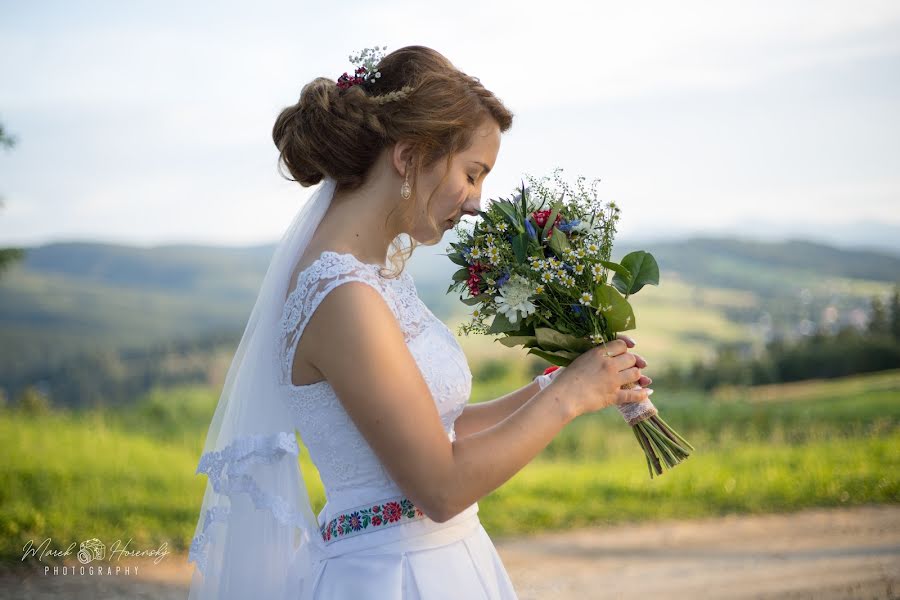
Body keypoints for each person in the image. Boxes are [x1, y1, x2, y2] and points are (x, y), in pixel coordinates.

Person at [187, 45, 651, 600]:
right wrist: (569, 398)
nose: (478, 202)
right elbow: (441, 485)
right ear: (408, 156)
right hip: (393, 576)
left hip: (443, 560)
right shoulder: (344, 297)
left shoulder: (374, 277)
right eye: (472, 173)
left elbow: (440, 428)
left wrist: (557, 383)